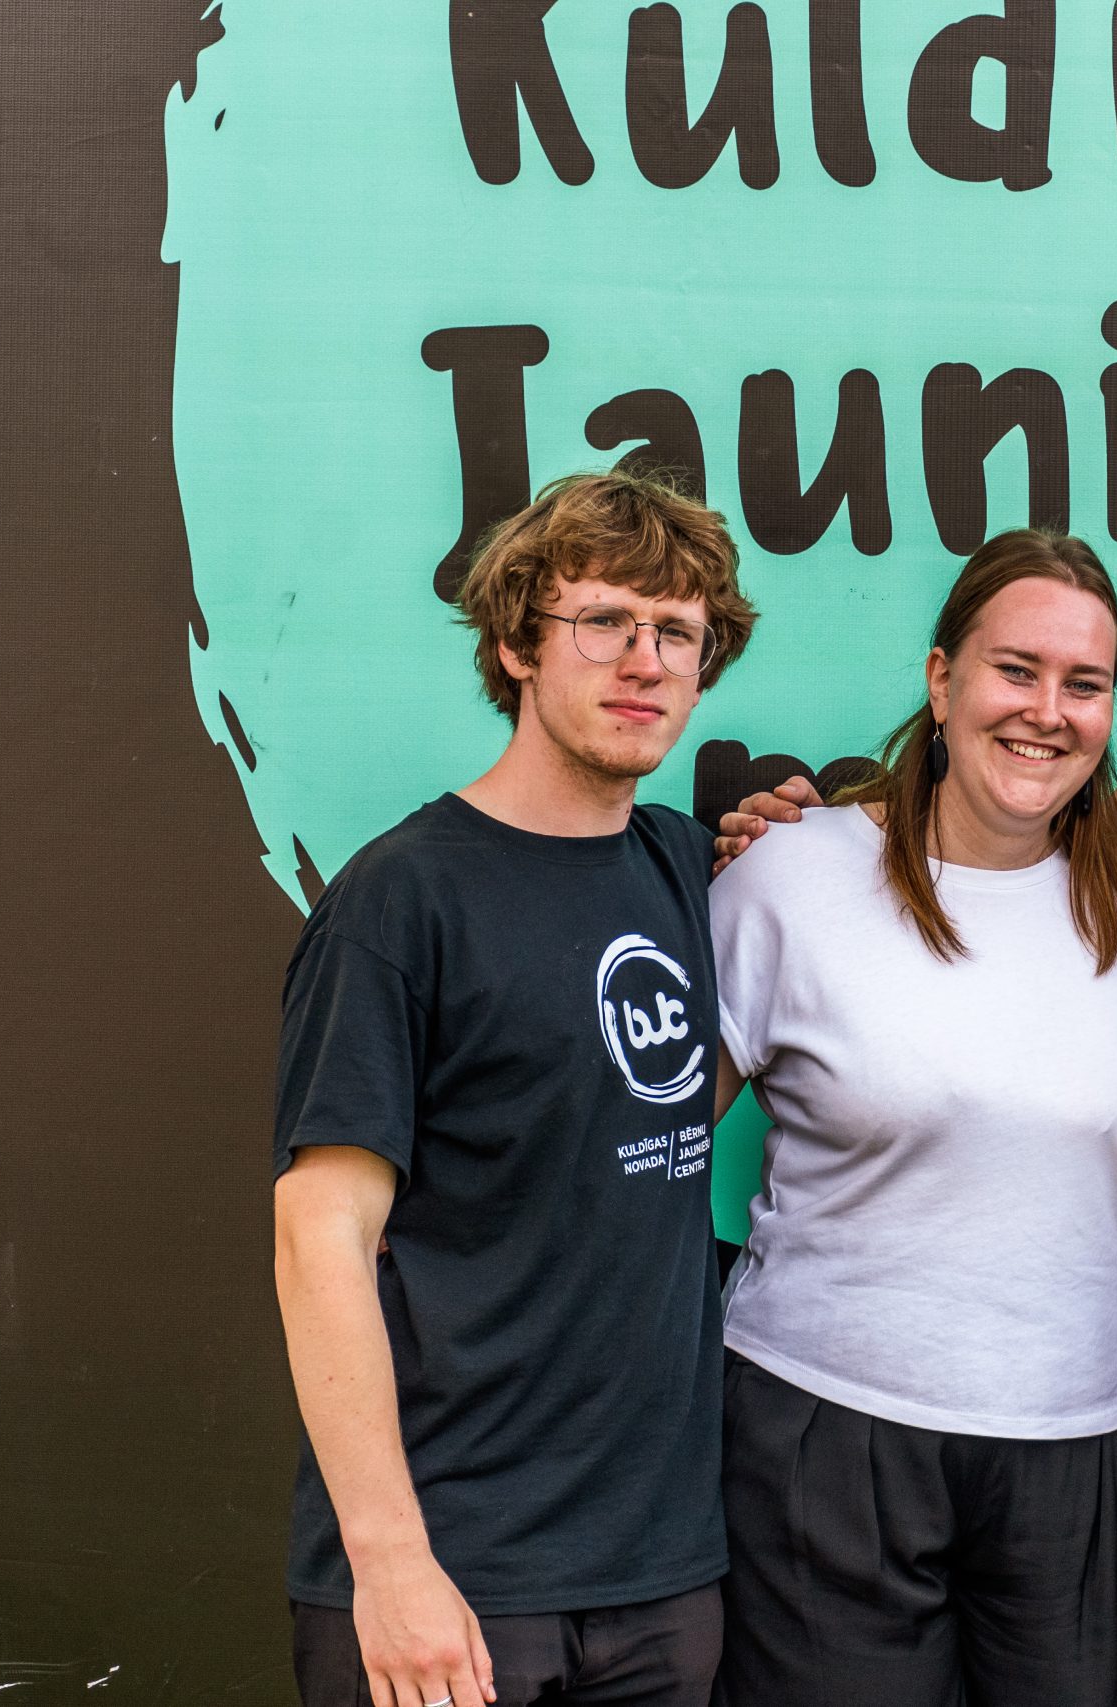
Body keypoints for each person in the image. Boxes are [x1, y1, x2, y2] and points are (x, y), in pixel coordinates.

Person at [271, 471, 759, 1707]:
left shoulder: (689, 869)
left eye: (678, 632)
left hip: (660, 1576)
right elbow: (319, 1235)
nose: (645, 661)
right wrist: (391, 1566)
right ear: (515, 643)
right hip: (454, 1575)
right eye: (604, 622)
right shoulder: (402, 900)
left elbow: (622, 1112)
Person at [704, 529, 1117, 1707]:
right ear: (942, 681)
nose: (1046, 712)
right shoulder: (790, 874)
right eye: (1014, 671)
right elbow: (646, 1144)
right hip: (823, 1440)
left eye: (1083, 684)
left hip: (1075, 1445)